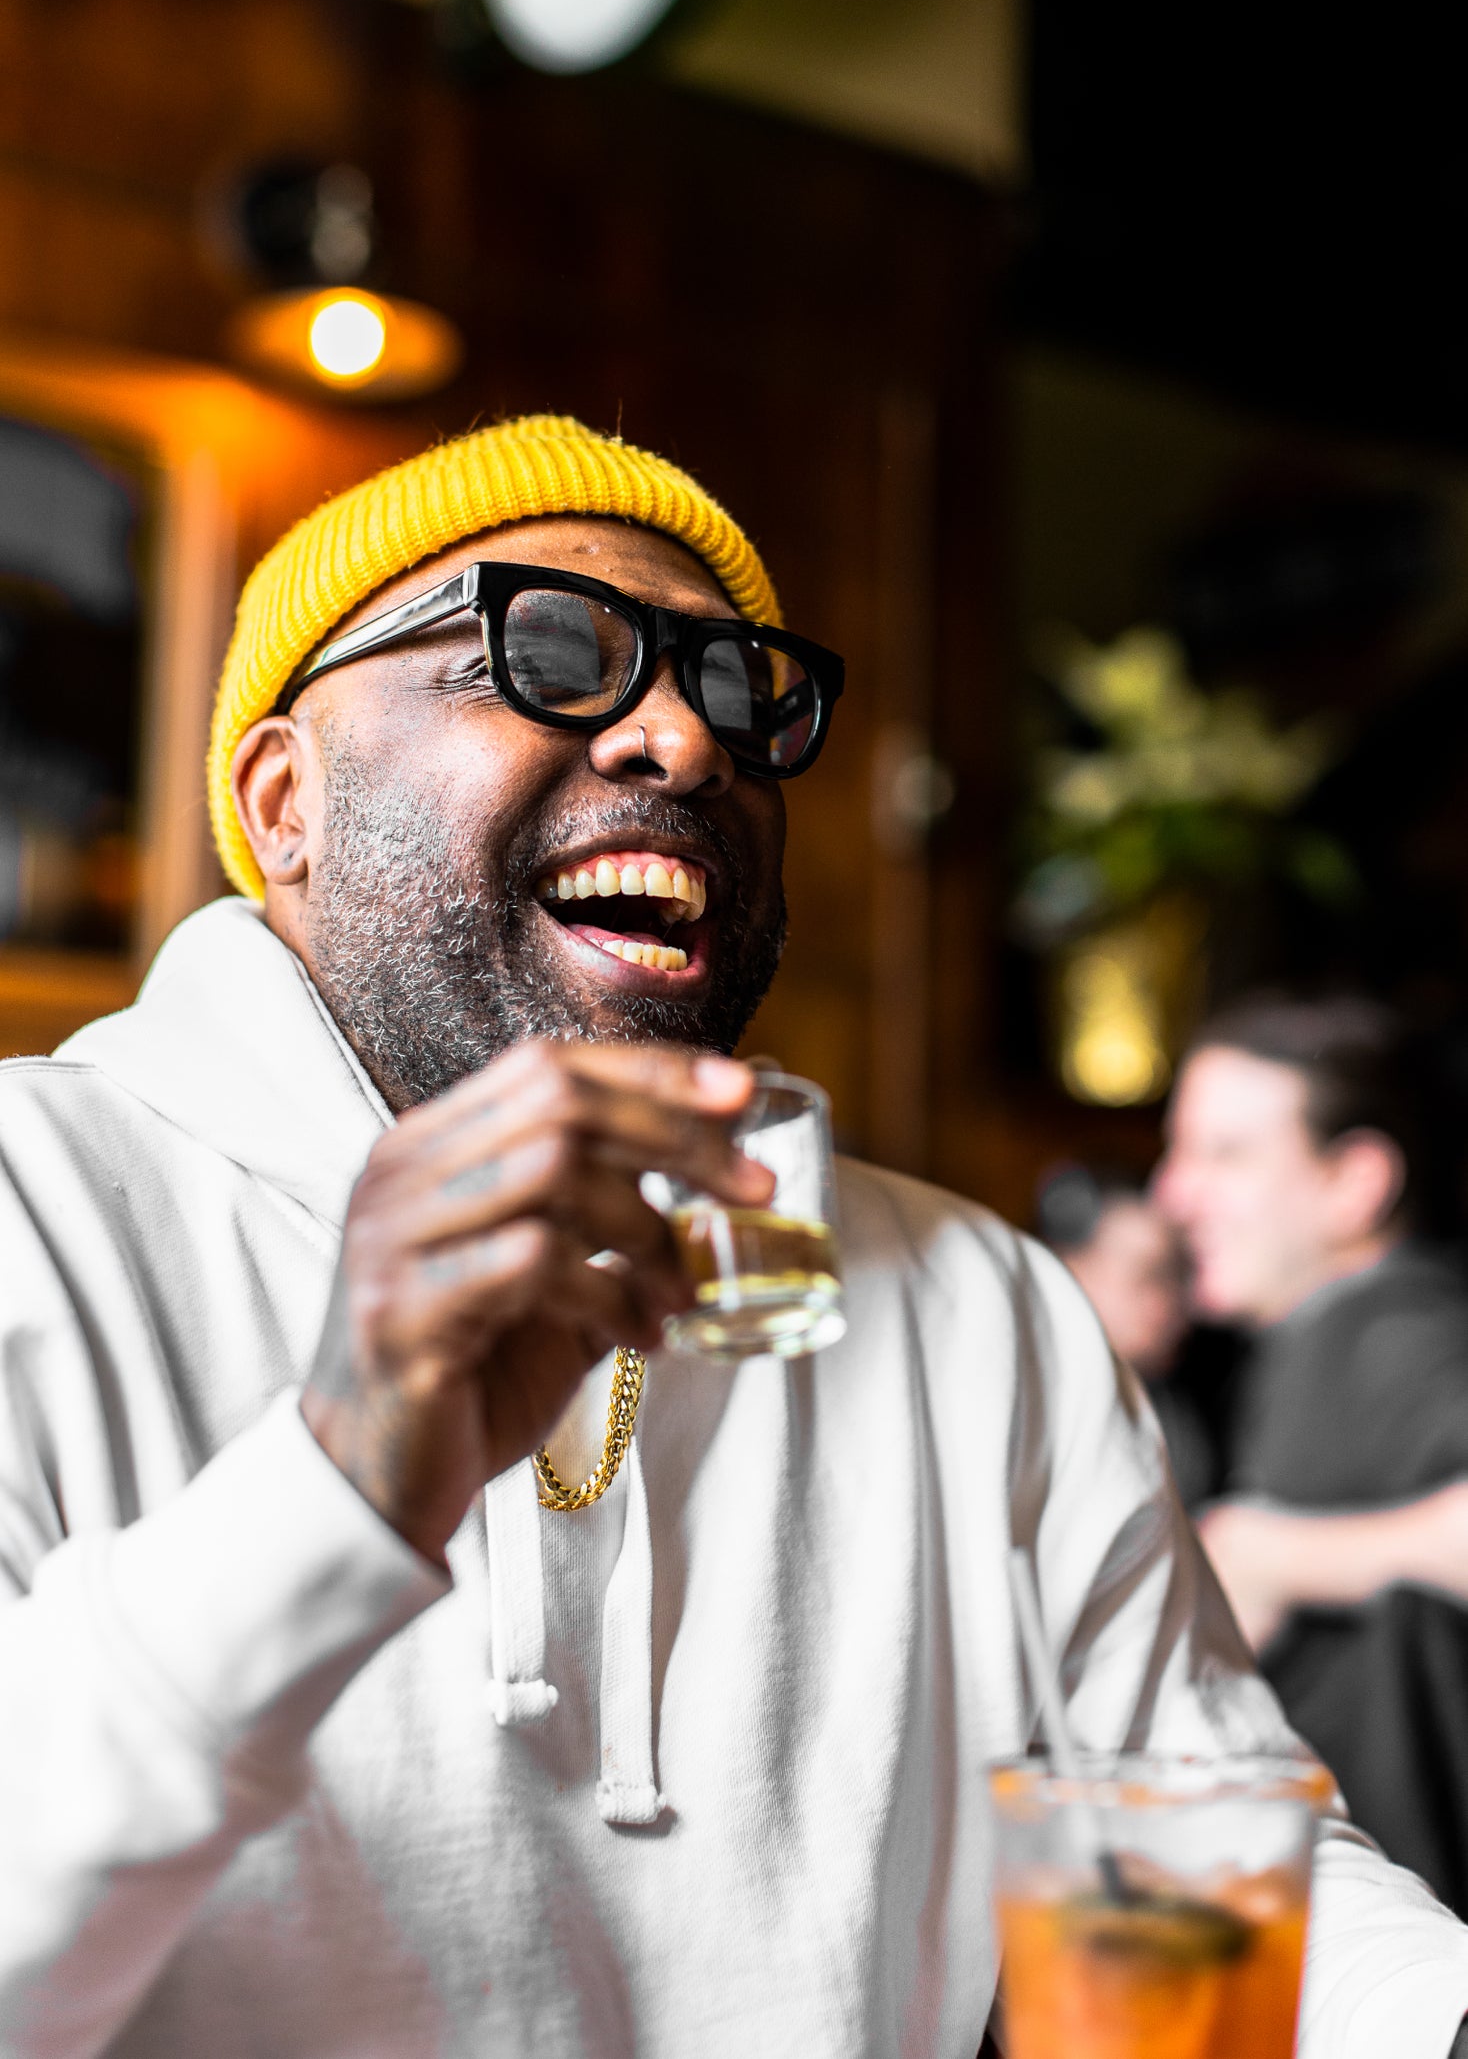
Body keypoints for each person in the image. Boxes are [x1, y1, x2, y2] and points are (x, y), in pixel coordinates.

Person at [2, 418, 1467, 2059]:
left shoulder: (982, 1303)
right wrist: (333, 1482)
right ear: (287, 801)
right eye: (551, 652)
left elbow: (1191, 1889)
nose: (685, 742)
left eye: (732, 692)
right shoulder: (30, 1210)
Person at [1154, 994, 1468, 1649]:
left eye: (1226, 1155)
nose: (1172, 1195)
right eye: (1177, 1151)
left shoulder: (1395, 1338)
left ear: (1354, 1182)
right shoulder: (1325, 1336)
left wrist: (1276, 1557)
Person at [1035, 1164, 1246, 1508]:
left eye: (1180, 1276)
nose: (1175, 1302)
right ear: (1072, 1271)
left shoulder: (1190, 1388)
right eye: (1149, 1276)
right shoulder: (1035, 1405)